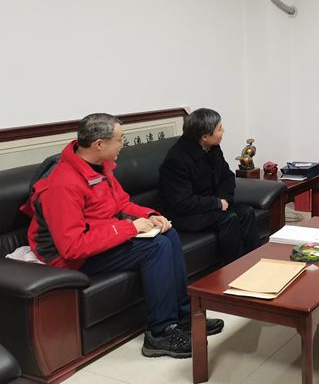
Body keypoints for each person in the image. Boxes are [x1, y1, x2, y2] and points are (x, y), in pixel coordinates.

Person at [23, 113, 223, 359]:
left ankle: (183, 317)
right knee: (156, 247)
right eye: (119, 139)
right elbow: (72, 247)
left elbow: (121, 204)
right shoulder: (63, 184)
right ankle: (159, 333)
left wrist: (151, 215)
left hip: (99, 235)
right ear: (99, 144)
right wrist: (130, 228)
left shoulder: (100, 167)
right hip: (70, 257)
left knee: (168, 233)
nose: (122, 144)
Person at [158, 108, 258, 265]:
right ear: (205, 136)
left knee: (247, 212)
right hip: (184, 214)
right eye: (219, 129)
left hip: (209, 205)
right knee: (228, 218)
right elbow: (182, 202)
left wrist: (224, 199)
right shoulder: (176, 159)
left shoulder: (213, 148)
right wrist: (216, 203)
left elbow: (227, 176)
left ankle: (256, 263)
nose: (223, 131)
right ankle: (237, 269)